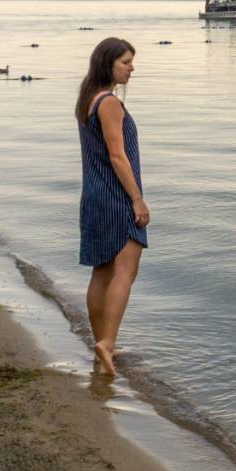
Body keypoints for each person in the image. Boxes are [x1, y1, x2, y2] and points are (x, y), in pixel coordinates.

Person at [75, 37, 147, 376]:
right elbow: (118, 156)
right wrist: (137, 198)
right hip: (116, 195)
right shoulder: (110, 104)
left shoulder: (88, 100)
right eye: (126, 62)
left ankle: (101, 343)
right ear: (108, 64)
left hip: (93, 194)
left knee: (102, 272)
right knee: (126, 271)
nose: (132, 68)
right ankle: (108, 342)